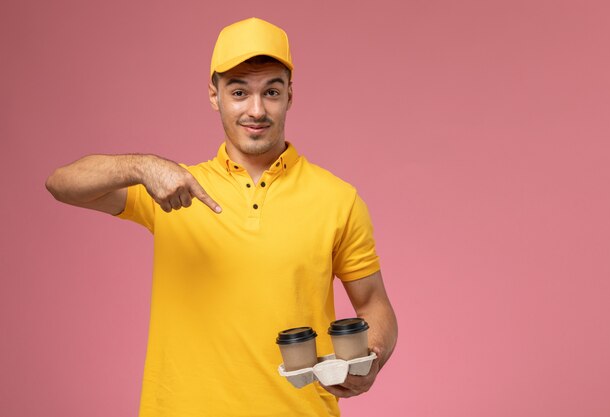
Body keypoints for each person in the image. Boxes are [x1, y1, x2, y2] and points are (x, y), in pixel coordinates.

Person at [46, 17, 397, 417]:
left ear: (290, 96)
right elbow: (61, 183)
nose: (256, 109)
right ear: (214, 96)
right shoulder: (174, 188)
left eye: (272, 91)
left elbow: (375, 305)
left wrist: (372, 357)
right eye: (238, 92)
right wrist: (142, 166)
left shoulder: (338, 199)